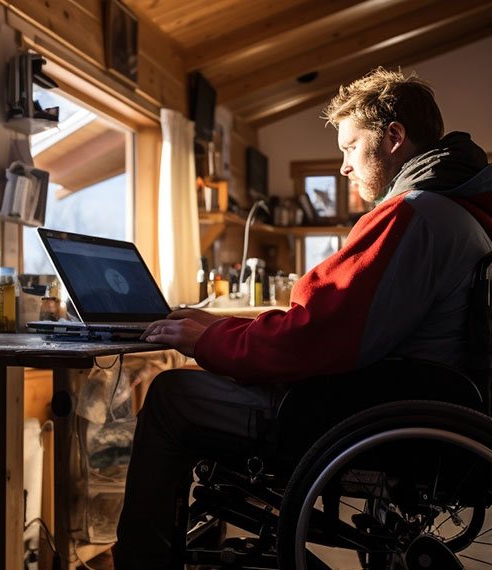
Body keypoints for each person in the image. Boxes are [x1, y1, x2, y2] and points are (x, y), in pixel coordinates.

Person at [112, 67, 492, 568]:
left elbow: (314, 337)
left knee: (170, 396)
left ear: (394, 138)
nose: (343, 167)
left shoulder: (411, 214)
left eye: (351, 147)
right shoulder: (460, 213)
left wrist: (209, 343)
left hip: (355, 411)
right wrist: (218, 331)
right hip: (407, 404)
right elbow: (329, 322)